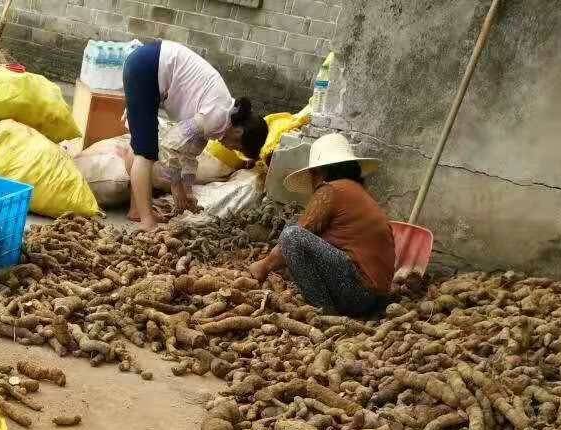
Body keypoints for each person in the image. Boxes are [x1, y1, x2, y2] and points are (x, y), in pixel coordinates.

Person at [122, 39, 269, 230]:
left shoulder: (219, 120)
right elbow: (171, 144)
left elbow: (189, 156)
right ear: (239, 131)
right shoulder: (216, 118)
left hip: (151, 66)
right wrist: (176, 187)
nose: (232, 149)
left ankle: (137, 211)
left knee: (141, 146)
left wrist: (188, 193)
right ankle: (146, 220)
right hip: (148, 67)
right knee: (146, 152)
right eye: (238, 147)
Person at [249, 133, 394, 316]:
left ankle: (324, 312)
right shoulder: (359, 193)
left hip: (359, 293)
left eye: (312, 173)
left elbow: (299, 235)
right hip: (378, 300)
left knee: (291, 235)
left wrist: (264, 265)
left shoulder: (330, 190)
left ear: (320, 172)